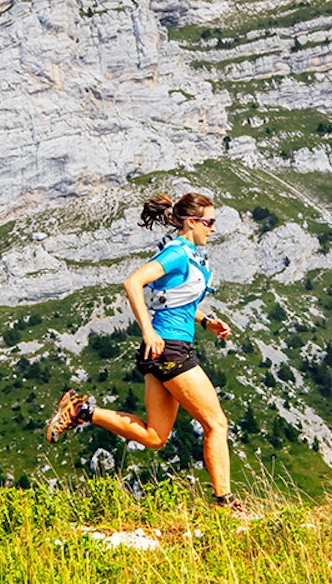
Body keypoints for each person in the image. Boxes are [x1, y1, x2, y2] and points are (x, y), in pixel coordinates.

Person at [45, 191, 249, 517]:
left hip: (164, 349)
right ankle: (225, 503)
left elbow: (174, 299)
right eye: (209, 222)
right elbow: (133, 282)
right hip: (168, 348)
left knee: (155, 437)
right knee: (216, 424)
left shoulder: (190, 256)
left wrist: (207, 321)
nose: (213, 228)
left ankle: (82, 411)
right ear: (191, 221)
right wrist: (148, 331)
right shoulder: (178, 253)